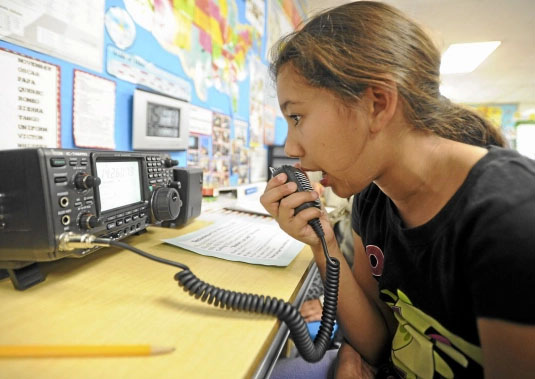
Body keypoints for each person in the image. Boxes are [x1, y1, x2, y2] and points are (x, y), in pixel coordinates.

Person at [260, 1, 535, 378]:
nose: (291, 148)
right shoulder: (373, 197)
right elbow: (379, 341)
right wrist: (321, 240)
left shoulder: (510, 213)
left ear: (377, 103)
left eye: (297, 117)